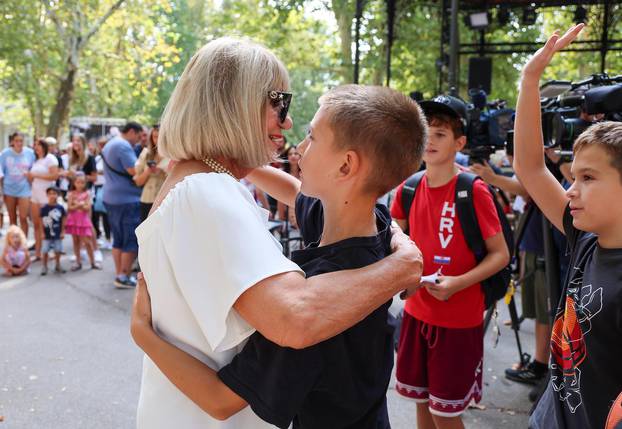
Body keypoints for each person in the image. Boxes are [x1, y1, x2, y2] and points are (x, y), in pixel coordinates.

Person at [128, 38, 423, 429]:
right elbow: (296, 316)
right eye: (278, 103)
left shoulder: (198, 184)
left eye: (311, 136)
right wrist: (403, 265)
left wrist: (142, 334)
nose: (288, 126)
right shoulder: (207, 191)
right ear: (237, 103)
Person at [513, 24, 622, 429]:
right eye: (572, 177)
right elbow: (529, 166)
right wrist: (530, 78)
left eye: (588, 178)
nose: (570, 191)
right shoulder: (587, 239)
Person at [390, 94, 510, 429]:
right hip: (416, 314)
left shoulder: (473, 189)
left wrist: (458, 283)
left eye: (440, 133)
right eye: (426, 131)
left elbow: (501, 255)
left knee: (446, 412)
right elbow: (394, 240)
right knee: (420, 402)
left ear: (460, 142)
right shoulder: (409, 188)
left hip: (459, 320)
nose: (430, 139)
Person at [102, 121, 143, 288]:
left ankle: (119, 273)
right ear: (132, 132)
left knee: (117, 239)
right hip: (127, 199)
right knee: (130, 240)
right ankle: (124, 276)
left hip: (111, 197)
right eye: (139, 136)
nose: (139, 141)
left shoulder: (111, 143)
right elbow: (134, 171)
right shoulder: (123, 146)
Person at [26, 139, 60, 262]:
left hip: (47, 196)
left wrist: (36, 176)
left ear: (44, 146)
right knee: (36, 225)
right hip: (35, 195)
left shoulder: (51, 159)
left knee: (47, 225)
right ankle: (38, 252)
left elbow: (55, 175)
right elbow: (33, 179)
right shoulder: (36, 161)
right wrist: (30, 177)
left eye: (39, 145)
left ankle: (50, 250)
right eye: (35, 145)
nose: (36, 147)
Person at [0, 132, 35, 236]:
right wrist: (1, 190)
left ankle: (24, 243)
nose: (19, 143)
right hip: (9, 189)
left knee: (23, 217)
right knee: (12, 218)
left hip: (24, 188)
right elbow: (1, 171)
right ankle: (14, 244)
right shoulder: (5, 153)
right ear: (12, 142)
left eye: (21, 141)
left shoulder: (30, 153)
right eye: (16, 141)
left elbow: (33, 169)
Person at [133, 124, 169, 222]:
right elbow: (138, 182)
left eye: (159, 137)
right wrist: (148, 171)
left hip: (165, 201)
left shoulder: (172, 154)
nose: (157, 140)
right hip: (147, 199)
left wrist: (162, 172)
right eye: (154, 137)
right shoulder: (146, 153)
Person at [65, 172, 101, 271]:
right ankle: (78, 262)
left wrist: (76, 204)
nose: (80, 184)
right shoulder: (71, 194)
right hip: (73, 220)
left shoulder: (87, 194)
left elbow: (87, 207)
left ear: (85, 183)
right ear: (74, 183)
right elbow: (69, 208)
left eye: (82, 182)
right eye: (78, 182)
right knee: (75, 241)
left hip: (84, 221)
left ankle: (93, 262)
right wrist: (80, 204)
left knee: (87, 242)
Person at [40, 186, 66, 275]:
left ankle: (58, 264)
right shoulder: (44, 208)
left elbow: (63, 220)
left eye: (54, 193)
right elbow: (41, 221)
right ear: (47, 195)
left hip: (57, 232)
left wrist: (63, 231)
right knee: (45, 250)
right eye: (50, 193)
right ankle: (44, 266)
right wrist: (42, 232)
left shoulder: (60, 208)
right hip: (47, 233)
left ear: (57, 195)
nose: (52, 195)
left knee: (58, 249)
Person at [91, 137, 111, 249]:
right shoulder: (97, 158)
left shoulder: (110, 158)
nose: (102, 147)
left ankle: (108, 238)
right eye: (100, 145)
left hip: (106, 188)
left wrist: (99, 172)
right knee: (95, 215)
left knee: (105, 216)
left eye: (104, 144)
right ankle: (98, 236)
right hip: (96, 189)